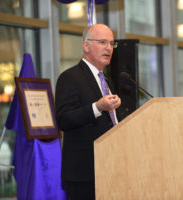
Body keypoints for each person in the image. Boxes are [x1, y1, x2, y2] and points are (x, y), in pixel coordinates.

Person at [55, 24, 121, 199]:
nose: (108, 48)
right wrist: (97, 107)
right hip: (83, 173)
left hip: (108, 168)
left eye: (111, 44)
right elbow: (63, 120)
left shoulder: (106, 80)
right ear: (85, 45)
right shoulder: (70, 77)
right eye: (102, 42)